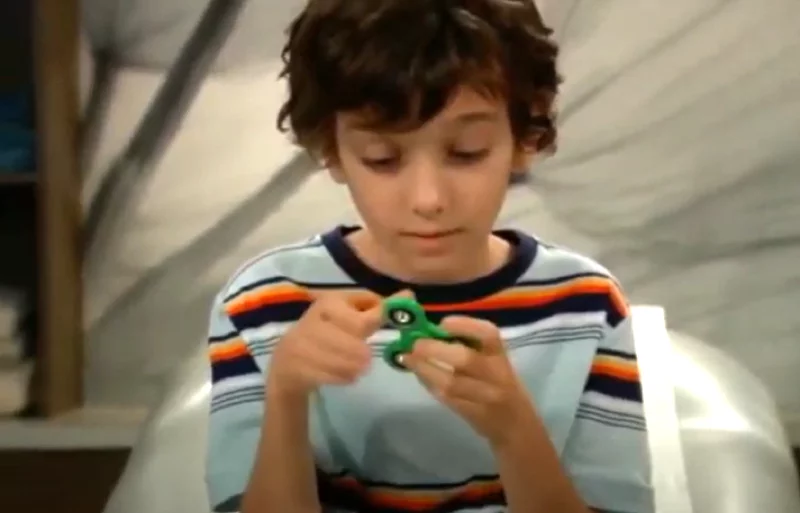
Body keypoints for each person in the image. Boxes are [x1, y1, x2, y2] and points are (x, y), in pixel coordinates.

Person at [205, 1, 654, 512]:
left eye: (467, 151)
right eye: (382, 159)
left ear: (524, 135)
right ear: (331, 149)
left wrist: (514, 429)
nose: (428, 199)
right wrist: (286, 394)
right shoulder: (263, 304)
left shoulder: (584, 306)